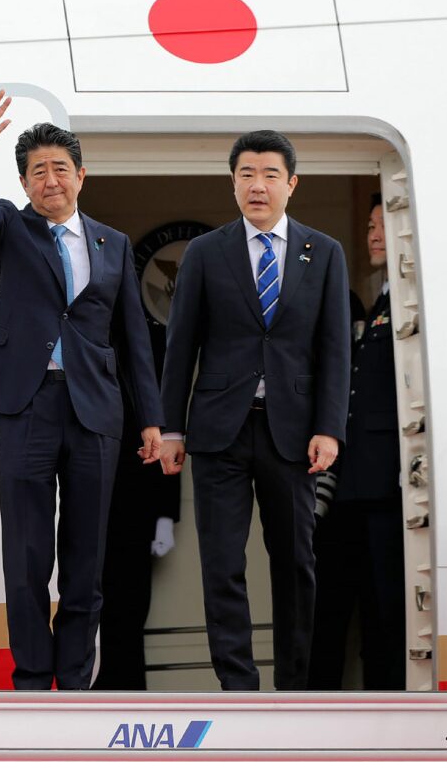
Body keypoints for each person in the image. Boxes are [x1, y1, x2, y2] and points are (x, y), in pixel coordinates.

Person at [0, 90, 164, 690]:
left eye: (60, 168)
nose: (51, 180)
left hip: (96, 411)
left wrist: (150, 418)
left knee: (85, 560)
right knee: (25, 557)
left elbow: (132, 339)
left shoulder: (113, 244)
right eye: (37, 171)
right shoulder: (9, 230)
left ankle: (73, 683)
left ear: (81, 175)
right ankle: (31, 679)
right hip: (27, 406)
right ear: (24, 183)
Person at [159, 129, 351, 691]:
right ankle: (237, 687)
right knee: (222, 564)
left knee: (295, 563)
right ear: (233, 184)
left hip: (293, 435)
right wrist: (172, 428)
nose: (258, 186)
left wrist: (329, 429)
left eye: (270, 175)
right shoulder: (205, 252)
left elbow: (335, 350)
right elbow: (181, 346)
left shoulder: (326, 253)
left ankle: (294, 686)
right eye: (246, 175)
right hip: (219, 431)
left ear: (291, 184)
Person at [308, 195, 406, 690]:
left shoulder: (407, 306)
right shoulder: (382, 304)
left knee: (388, 615)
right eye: (369, 225)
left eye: (382, 224)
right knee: (363, 611)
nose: (373, 234)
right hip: (357, 486)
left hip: (387, 484)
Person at [92, 320, 180, 691]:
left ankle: (127, 691)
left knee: (129, 605)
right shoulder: (80, 325)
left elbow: (168, 426)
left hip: (137, 493)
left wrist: (166, 513)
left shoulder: (154, 336)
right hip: (85, 487)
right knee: (86, 601)